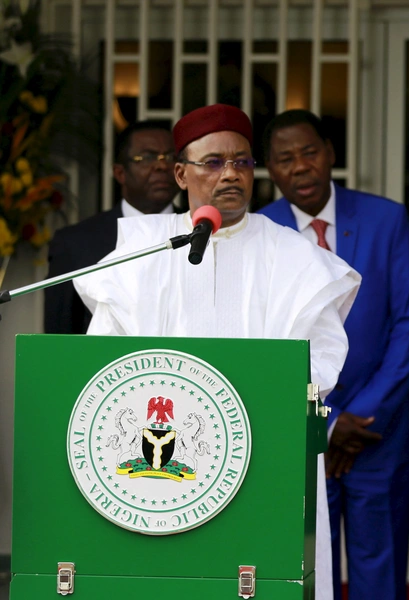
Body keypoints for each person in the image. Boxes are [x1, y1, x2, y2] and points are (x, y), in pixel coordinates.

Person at [74, 104, 360, 600]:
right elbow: (106, 362)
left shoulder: (297, 259)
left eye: (242, 162)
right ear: (181, 173)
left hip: (267, 462)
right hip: (162, 473)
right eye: (213, 163)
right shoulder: (141, 253)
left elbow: (321, 360)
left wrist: (254, 396)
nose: (230, 173)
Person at [258, 109, 409, 600]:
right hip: (299, 431)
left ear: (330, 152)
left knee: (381, 563)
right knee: (307, 568)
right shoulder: (261, 231)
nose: (300, 167)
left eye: (309, 152)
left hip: (379, 429)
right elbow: (263, 342)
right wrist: (326, 424)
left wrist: (361, 416)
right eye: (285, 159)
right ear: (270, 168)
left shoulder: (385, 218)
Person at [45, 120, 182, 334]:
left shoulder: (201, 232)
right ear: (120, 173)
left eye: (171, 157)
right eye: (147, 157)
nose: (162, 166)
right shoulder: (74, 242)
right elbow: (59, 333)